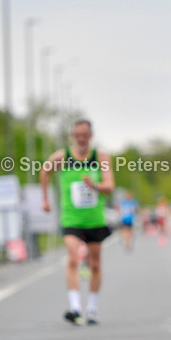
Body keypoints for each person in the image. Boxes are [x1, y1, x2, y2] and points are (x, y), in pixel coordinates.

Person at [41, 119, 115, 325]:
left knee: (94, 264)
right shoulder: (62, 156)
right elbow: (44, 171)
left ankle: (92, 308)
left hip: (94, 219)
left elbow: (110, 186)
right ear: (73, 136)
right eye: (77, 136)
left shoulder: (100, 156)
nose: (81, 139)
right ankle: (75, 308)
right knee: (73, 259)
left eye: (85, 135)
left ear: (90, 136)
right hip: (71, 218)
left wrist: (95, 186)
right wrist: (45, 199)